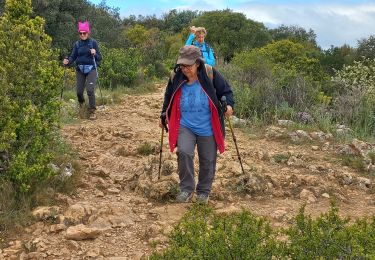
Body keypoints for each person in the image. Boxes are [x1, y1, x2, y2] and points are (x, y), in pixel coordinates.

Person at [160, 45, 234, 203]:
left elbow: (226, 91)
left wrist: (228, 105)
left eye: (188, 65)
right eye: (182, 65)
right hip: (185, 123)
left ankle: (203, 192)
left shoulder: (210, 73)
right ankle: (186, 188)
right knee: (185, 153)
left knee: (208, 159)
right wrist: (163, 115)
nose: (184, 69)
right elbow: (169, 96)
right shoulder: (176, 76)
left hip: (208, 125)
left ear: (198, 63)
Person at [63, 21, 102, 120]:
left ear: (88, 33)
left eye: (84, 33)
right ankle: (82, 107)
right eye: (81, 33)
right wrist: (68, 61)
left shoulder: (93, 43)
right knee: (79, 92)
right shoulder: (77, 44)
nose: (82, 35)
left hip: (91, 69)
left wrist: (95, 53)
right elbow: (73, 56)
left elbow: (99, 58)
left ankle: (92, 111)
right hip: (80, 69)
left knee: (90, 90)